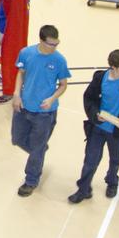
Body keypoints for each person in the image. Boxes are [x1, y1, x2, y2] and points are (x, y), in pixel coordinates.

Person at [68, 49, 119, 203]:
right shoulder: (100, 79)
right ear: (113, 67)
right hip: (98, 128)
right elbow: (89, 99)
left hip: (117, 132)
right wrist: (95, 114)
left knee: (115, 159)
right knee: (90, 160)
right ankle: (83, 189)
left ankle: (112, 182)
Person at [12, 25, 71, 196]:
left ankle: (31, 180)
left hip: (45, 113)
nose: (54, 47)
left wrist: (52, 98)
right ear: (41, 40)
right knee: (17, 138)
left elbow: (63, 84)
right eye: (51, 44)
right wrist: (17, 93)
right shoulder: (26, 53)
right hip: (24, 106)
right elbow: (21, 73)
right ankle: (39, 151)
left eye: (56, 44)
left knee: (36, 148)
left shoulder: (59, 60)